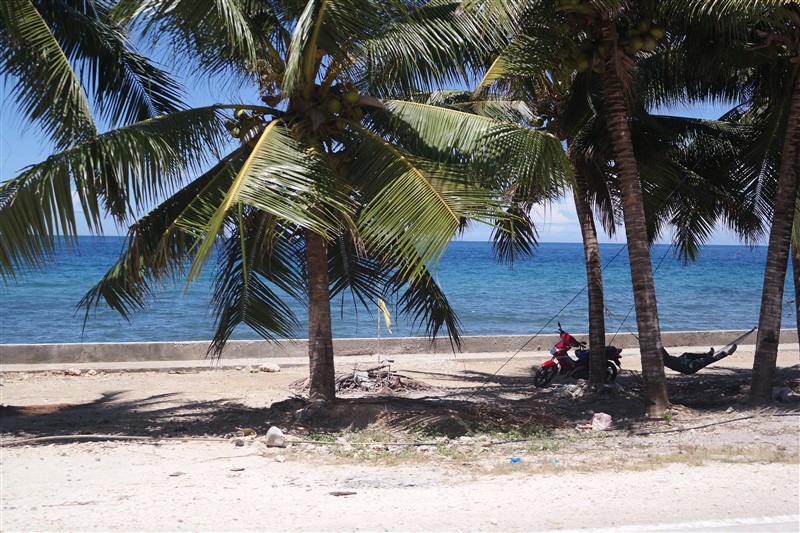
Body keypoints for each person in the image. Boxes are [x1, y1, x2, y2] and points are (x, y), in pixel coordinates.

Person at [661, 344, 738, 375]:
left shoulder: (663, 358)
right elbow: (662, 350)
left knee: (686, 355)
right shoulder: (664, 359)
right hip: (688, 367)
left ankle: (707, 355)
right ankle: (726, 353)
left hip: (682, 361)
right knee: (708, 360)